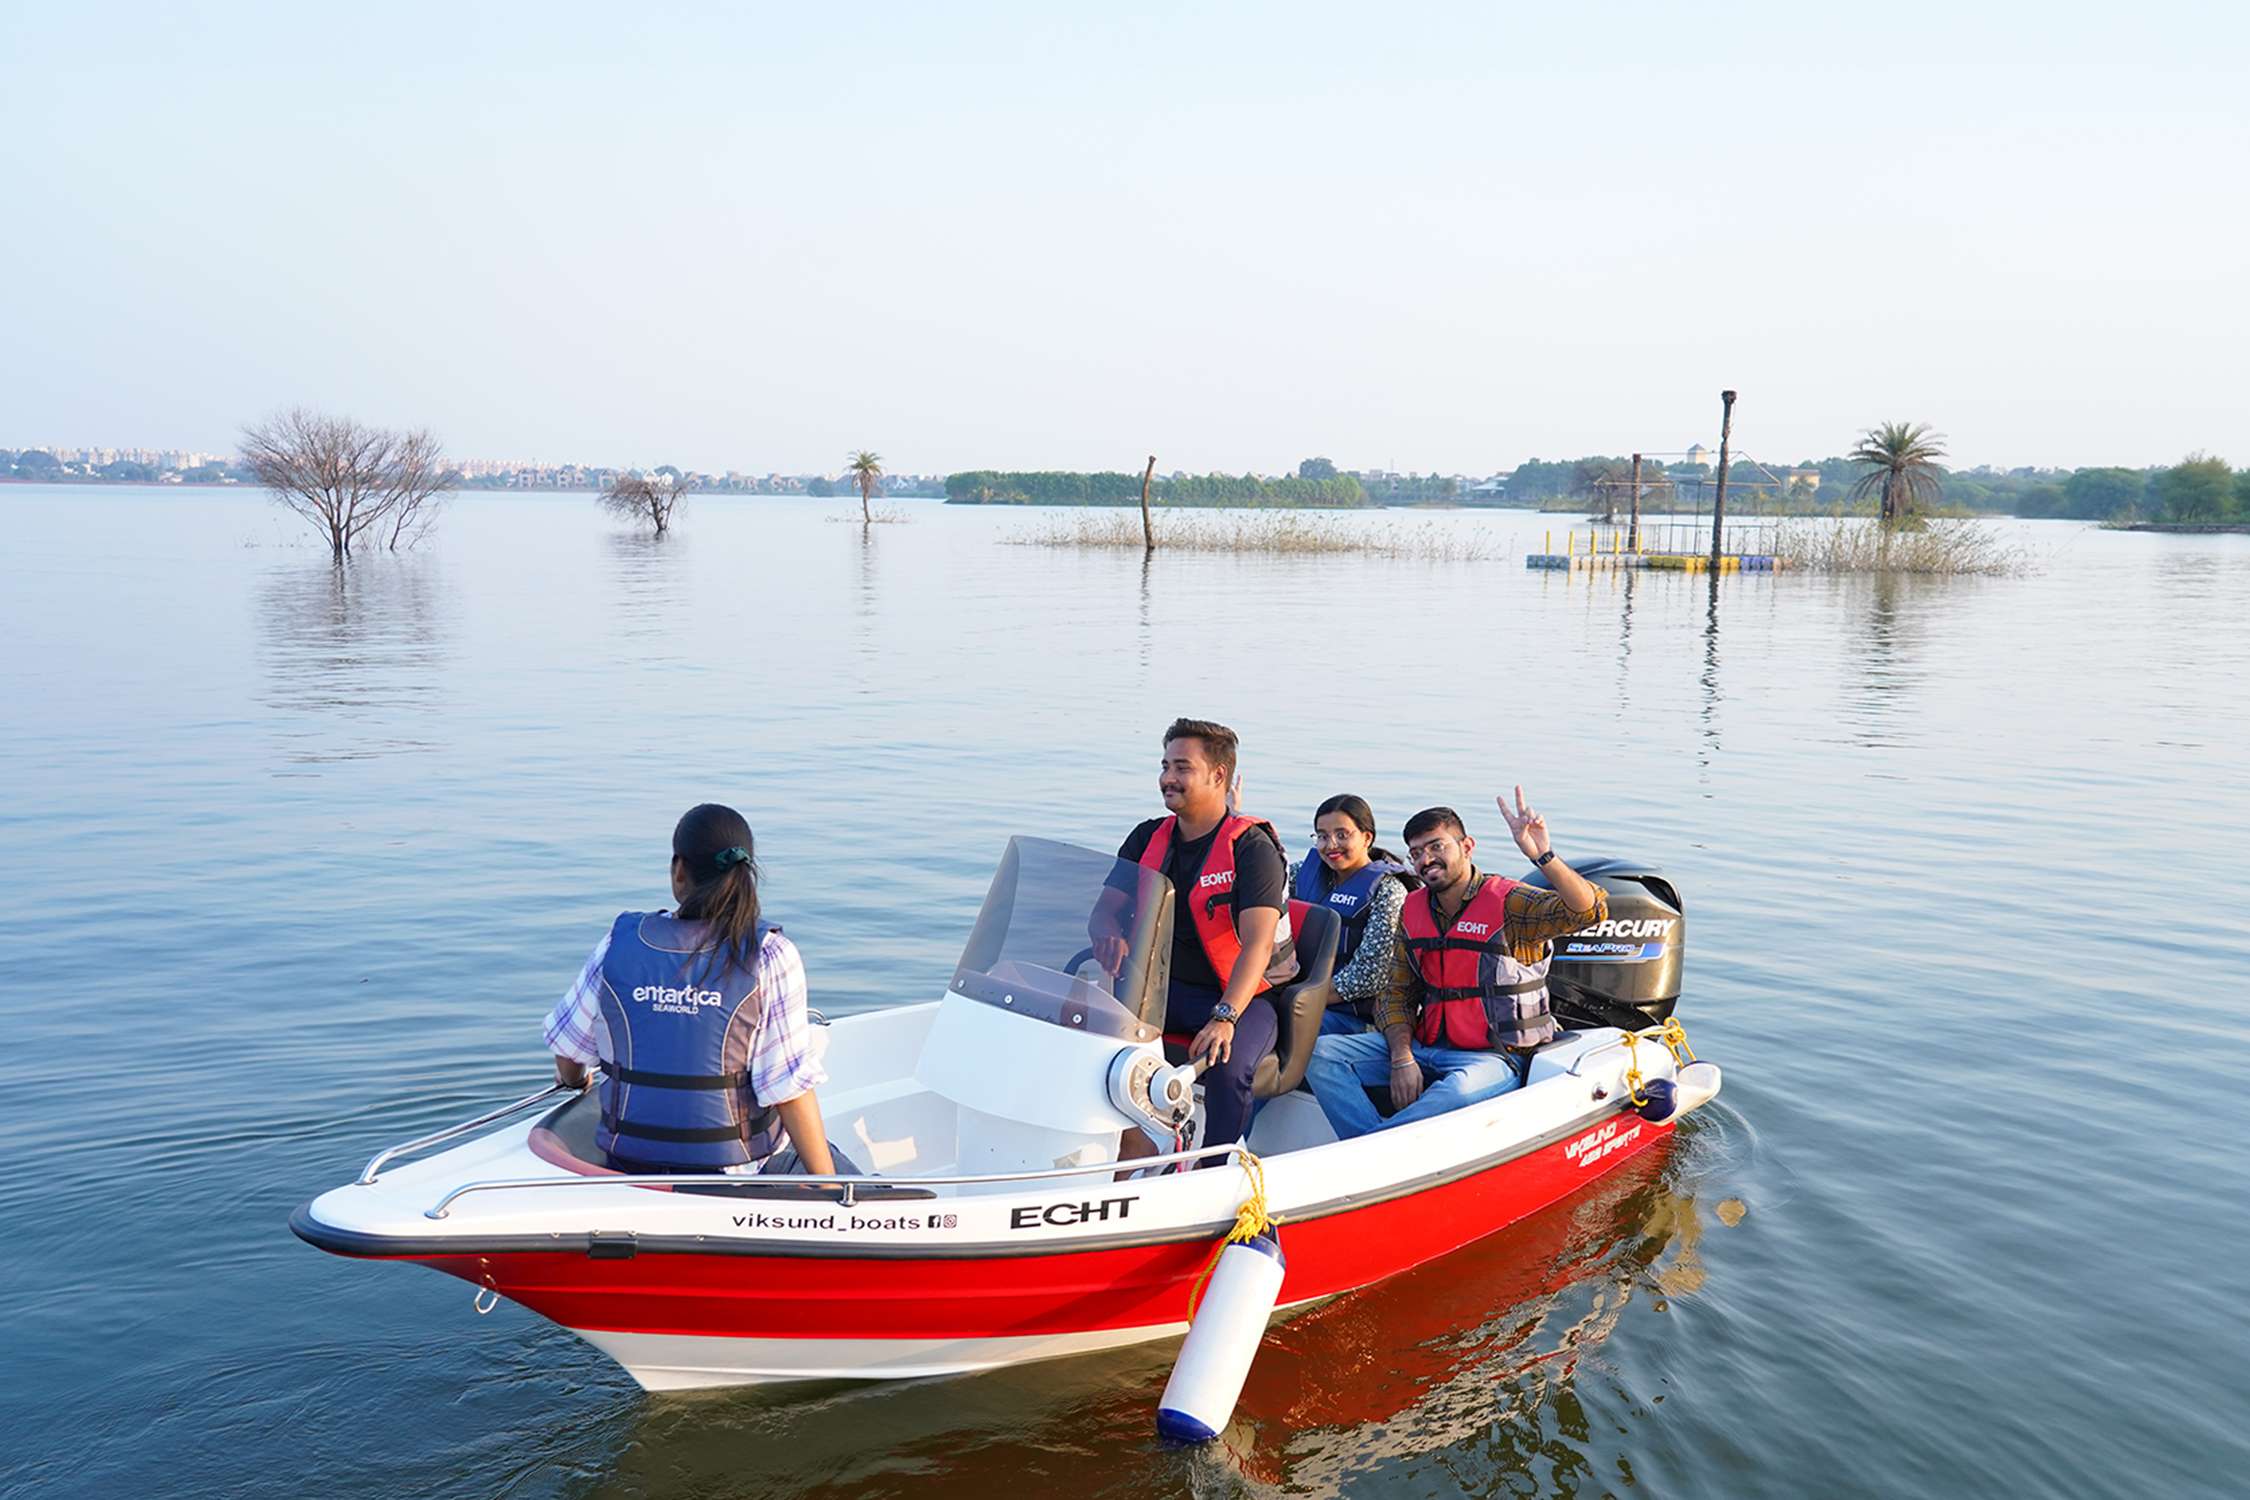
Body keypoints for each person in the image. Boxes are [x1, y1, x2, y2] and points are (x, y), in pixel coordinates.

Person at [543, 803, 838, 1176]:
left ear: (679, 870)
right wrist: (830, 1187)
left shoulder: (617, 945)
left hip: (630, 1165)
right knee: (859, 1184)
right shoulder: (770, 955)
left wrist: (576, 1081)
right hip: (737, 1173)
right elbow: (788, 1089)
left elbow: (569, 1054)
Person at [1304, 788, 1608, 1140]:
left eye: (1437, 846)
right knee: (1322, 1054)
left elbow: (1590, 911)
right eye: (1416, 853)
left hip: (1494, 1058)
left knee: (1457, 1091)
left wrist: (1543, 856)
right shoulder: (1413, 908)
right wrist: (1402, 1057)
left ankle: (1371, 1149)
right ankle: (1369, 1143)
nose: (1426, 859)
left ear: (1466, 847)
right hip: (1426, 1046)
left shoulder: (1509, 902)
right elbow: (1396, 995)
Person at [1091, 718, 1295, 1153]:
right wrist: (1109, 936)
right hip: (1163, 992)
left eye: (1182, 767)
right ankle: (1130, 1146)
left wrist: (1224, 1017)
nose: (1167, 778)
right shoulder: (1146, 837)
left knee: (1227, 1063)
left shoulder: (1251, 849)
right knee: (1086, 1035)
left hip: (1242, 996)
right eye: (1165, 765)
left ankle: (1216, 1166)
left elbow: (1258, 945)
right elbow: (1102, 914)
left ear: (1218, 776)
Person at [1287, 794, 1415, 1035]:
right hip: (1298, 995)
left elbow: (1370, 975)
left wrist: (1296, 999)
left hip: (1349, 1016)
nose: (1331, 844)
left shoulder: (1387, 891)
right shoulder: (1300, 874)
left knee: (1285, 1026)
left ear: (1367, 837)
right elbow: (1259, 883)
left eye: (1342, 835)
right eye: (1322, 836)